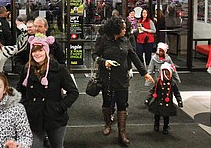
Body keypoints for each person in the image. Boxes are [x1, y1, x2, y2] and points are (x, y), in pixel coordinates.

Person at [92, 16, 154, 146]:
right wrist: (104, 62)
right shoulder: (103, 39)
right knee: (107, 103)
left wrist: (145, 73)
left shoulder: (126, 40)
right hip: (107, 78)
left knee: (122, 105)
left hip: (122, 79)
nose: (126, 30)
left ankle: (122, 134)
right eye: (123, 28)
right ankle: (108, 124)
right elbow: (95, 55)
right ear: (116, 28)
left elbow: (134, 56)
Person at [17, 34, 79, 148]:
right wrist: (26, 106)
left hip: (55, 118)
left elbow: (73, 92)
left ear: (46, 51)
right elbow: (19, 91)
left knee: (57, 146)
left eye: (40, 50)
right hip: (33, 116)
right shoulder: (26, 70)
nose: (37, 54)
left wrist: (60, 107)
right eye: (34, 51)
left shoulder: (59, 69)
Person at [144, 63, 183, 135]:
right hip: (159, 102)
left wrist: (179, 101)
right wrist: (148, 99)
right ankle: (156, 125)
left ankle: (165, 127)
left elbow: (176, 93)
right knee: (157, 115)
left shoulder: (172, 83)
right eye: (165, 74)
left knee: (166, 116)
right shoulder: (159, 82)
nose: (167, 76)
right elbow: (153, 91)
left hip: (167, 103)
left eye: (168, 74)